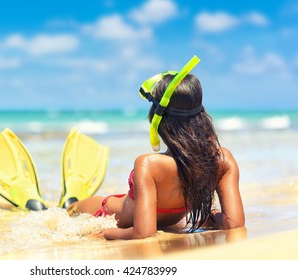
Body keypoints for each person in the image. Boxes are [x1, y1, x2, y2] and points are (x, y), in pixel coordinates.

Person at [66, 56, 245, 240]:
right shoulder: (223, 160)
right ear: (201, 115)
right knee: (72, 209)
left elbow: (143, 232)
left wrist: (104, 233)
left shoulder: (149, 164)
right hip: (103, 209)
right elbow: (234, 224)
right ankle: (69, 203)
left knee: (70, 210)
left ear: (158, 119)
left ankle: (69, 203)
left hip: (109, 213)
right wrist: (214, 216)